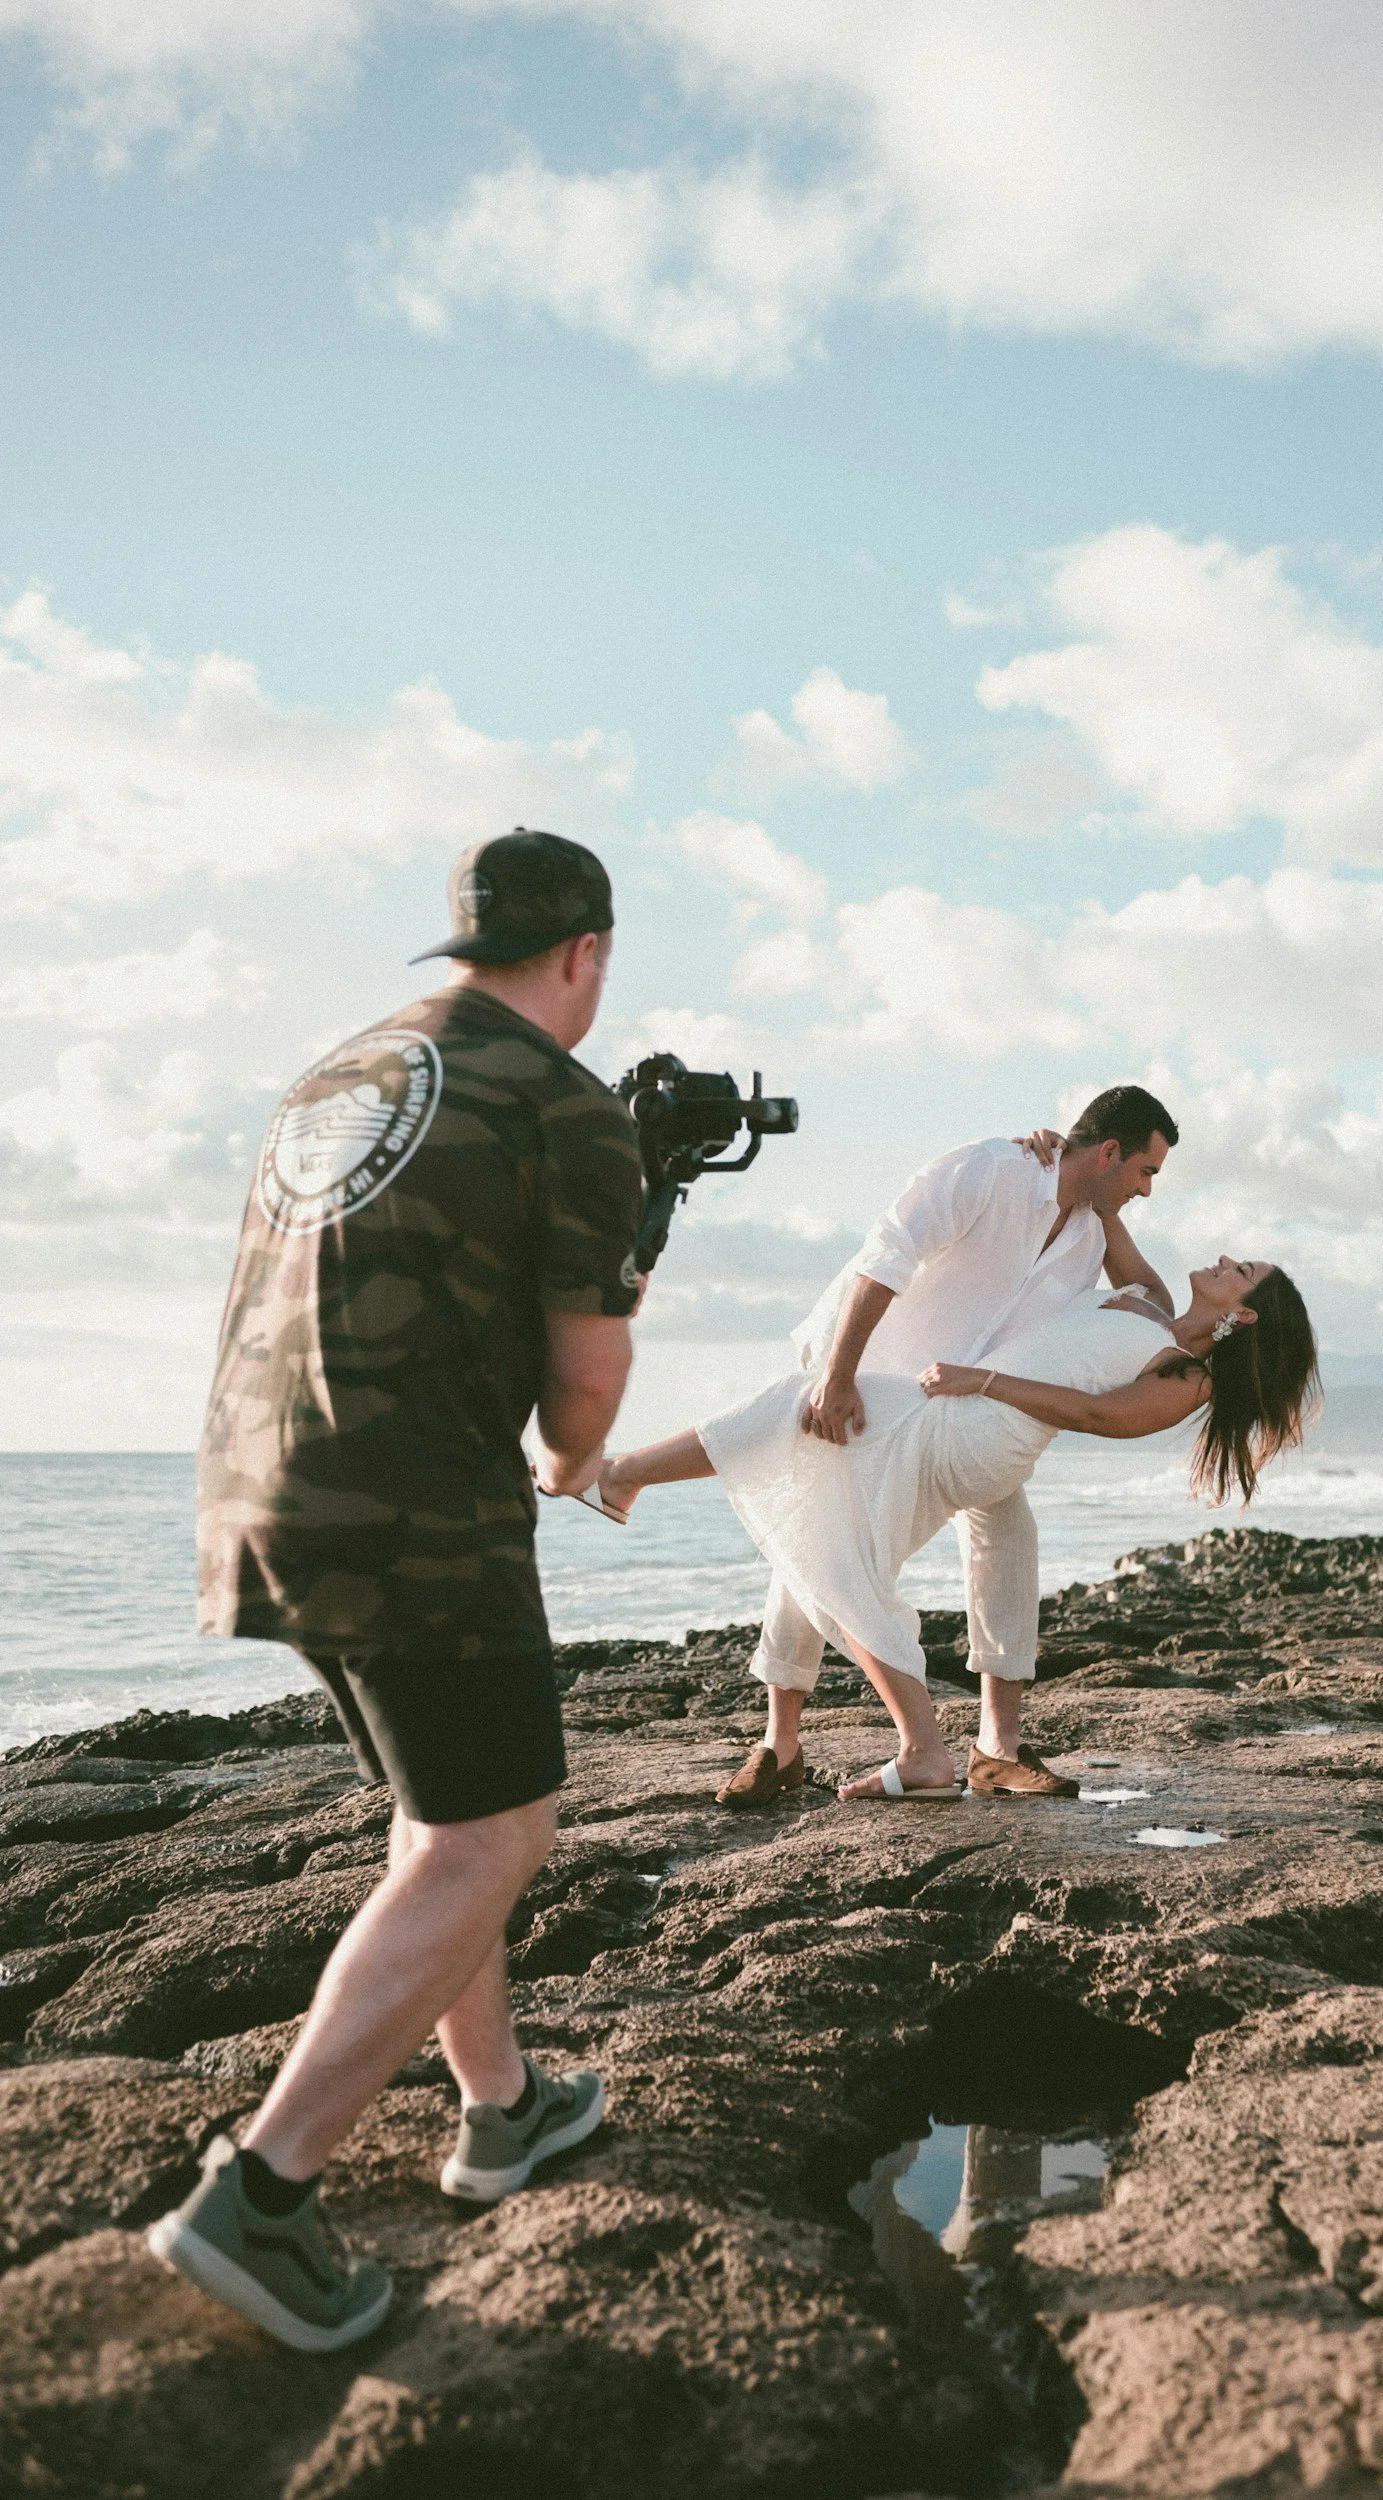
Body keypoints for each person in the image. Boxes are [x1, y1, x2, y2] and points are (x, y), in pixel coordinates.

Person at [149, 829, 644, 2353]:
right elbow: (578, 1401)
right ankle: (264, 2192)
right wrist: (585, 1420)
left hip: (261, 1483)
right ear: (587, 956)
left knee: (446, 1816)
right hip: (416, 1504)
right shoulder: (563, 1104)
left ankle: (500, 2109)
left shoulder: (339, 1074)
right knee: (498, 1831)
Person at [596, 1256, 1317, 1799]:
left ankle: (623, 1474)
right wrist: (1051, 1148)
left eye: (1241, 1270)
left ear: (1246, 1315)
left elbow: (1099, 1416)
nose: (1225, 1260)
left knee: (798, 1415)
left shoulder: (1191, 1374)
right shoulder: (1148, 1297)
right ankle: (808, 1748)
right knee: (820, 1525)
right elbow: (1102, 1193)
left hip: (971, 1428)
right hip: (957, 1419)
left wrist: (986, 1380)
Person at [701, 1087, 1180, 1807]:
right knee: (822, 1542)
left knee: (1008, 1532)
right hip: (870, 1384)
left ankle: (997, 1750)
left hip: (959, 1412)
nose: (1147, 1190)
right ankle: (780, 1744)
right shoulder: (993, 1169)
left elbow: (1153, 1296)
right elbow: (886, 1254)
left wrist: (1101, 1203)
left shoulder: (1086, 1239)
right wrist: (837, 1376)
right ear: (1110, 1151)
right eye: (1145, 1171)